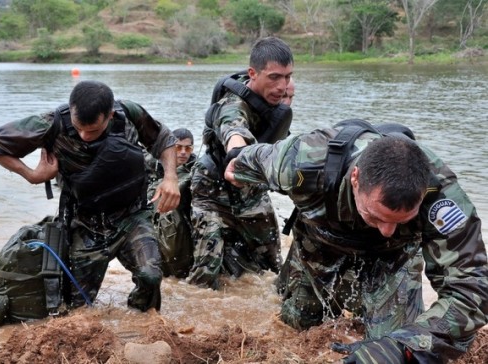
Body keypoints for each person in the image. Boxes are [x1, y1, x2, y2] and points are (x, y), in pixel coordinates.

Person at [224, 121, 488, 363]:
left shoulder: (441, 194)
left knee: (394, 350)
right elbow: (245, 162)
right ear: (355, 179)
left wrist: (402, 346)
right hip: (318, 244)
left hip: (394, 258)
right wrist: (236, 163)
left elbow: (472, 289)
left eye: (401, 220)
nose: (387, 230)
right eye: (377, 216)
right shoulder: (301, 161)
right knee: (295, 325)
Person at [0, 80, 180, 314]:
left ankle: (140, 322)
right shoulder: (51, 123)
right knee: (78, 309)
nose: (84, 136)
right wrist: (32, 175)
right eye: (78, 128)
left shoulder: (129, 114)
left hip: (131, 217)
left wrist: (171, 177)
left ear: (110, 115)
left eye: (93, 130)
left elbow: (163, 138)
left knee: (151, 276)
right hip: (86, 224)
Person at [188, 36, 294, 289]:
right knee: (205, 273)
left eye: (288, 77)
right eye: (274, 77)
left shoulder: (276, 102)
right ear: (252, 74)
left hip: (251, 193)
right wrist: (238, 153)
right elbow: (234, 131)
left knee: (271, 268)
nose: (282, 85)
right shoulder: (232, 105)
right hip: (212, 193)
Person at [146, 128, 196, 278]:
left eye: (187, 148)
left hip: (182, 222)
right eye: (178, 147)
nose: (182, 152)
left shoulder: (197, 169)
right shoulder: (153, 164)